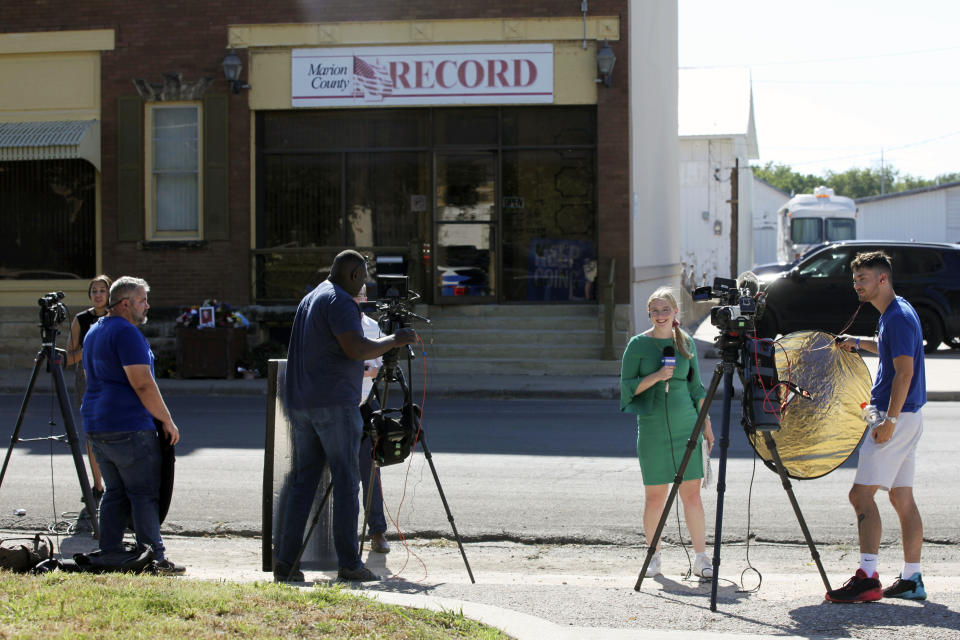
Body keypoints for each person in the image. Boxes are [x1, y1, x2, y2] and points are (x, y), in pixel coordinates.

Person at [275, 250, 416, 582]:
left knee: (303, 483)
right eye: (364, 277)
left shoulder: (312, 297)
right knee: (347, 482)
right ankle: (350, 564)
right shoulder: (340, 301)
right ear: (354, 275)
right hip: (334, 405)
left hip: (303, 403)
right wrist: (395, 338)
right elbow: (357, 349)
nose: (365, 284)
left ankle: (286, 563)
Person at [828, 251, 927, 603]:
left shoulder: (897, 317)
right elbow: (888, 350)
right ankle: (912, 579)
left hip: (895, 416)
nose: (857, 285)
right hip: (908, 416)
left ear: (882, 279)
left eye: (863, 279)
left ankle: (867, 578)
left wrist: (890, 422)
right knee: (901, 497)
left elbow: (905, 372)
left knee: (860, 495)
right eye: (855, 280)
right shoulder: (895, 312)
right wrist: (857, 342)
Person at [81, 276, 183, 574]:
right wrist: (166, 420)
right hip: (127, 424)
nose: (147, 305)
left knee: (115, 491)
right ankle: (155, 557)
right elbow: (142, 384)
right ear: (126, 304)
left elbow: (91, 377)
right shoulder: (127, 333)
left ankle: (111, 552)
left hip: (97, 423)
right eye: (142, 300)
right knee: (142, 492)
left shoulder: (95, 331)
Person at [620, 287, 715, 579]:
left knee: (692, 496)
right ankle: (654, 556)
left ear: (675, 312)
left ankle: (701, 558)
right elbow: (627, 387)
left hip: (687, 425)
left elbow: (696, 388)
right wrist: (657, 376)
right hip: (652, 428)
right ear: (649, 314)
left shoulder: (684, 342)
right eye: (655, 311)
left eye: (665, 310)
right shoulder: (637, 345)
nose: (660, 316)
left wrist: (706, 424)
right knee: (655, 497)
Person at [66, 274, 112, 511]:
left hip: (112, 381)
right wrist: (87, 348)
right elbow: (68, 357)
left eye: (102, 290)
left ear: (109, 294)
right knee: (92, 434)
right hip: (87, 381)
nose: (98, 295)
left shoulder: (115, 317)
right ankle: (97, 485)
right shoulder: (81, 320)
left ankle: (116, 486)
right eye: (94, 290)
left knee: (114, 432)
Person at [355, 285, 390, 555]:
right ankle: (341, 533)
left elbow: (379, 367)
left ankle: (377, 531)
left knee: (371, 469)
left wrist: (363, 370)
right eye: (353, 295)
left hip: (367, 403)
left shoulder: (373, 327)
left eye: (361, 296)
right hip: (340, 404)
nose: (358, 300)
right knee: (343, 472)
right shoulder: (332, 320)